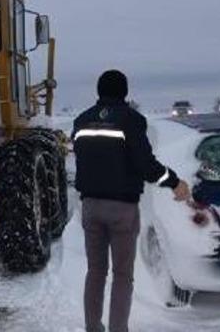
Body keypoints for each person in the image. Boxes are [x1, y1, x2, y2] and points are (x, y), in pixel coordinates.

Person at [72, 70, 190, 332]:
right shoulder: (132, 120)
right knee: (122, 276)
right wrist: (174, 182)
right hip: (122, 209)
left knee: (95, 272)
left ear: (99, 91)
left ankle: (93, 328)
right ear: (124, 92)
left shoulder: (81, 121)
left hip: (90, 207)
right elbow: (146, 165)